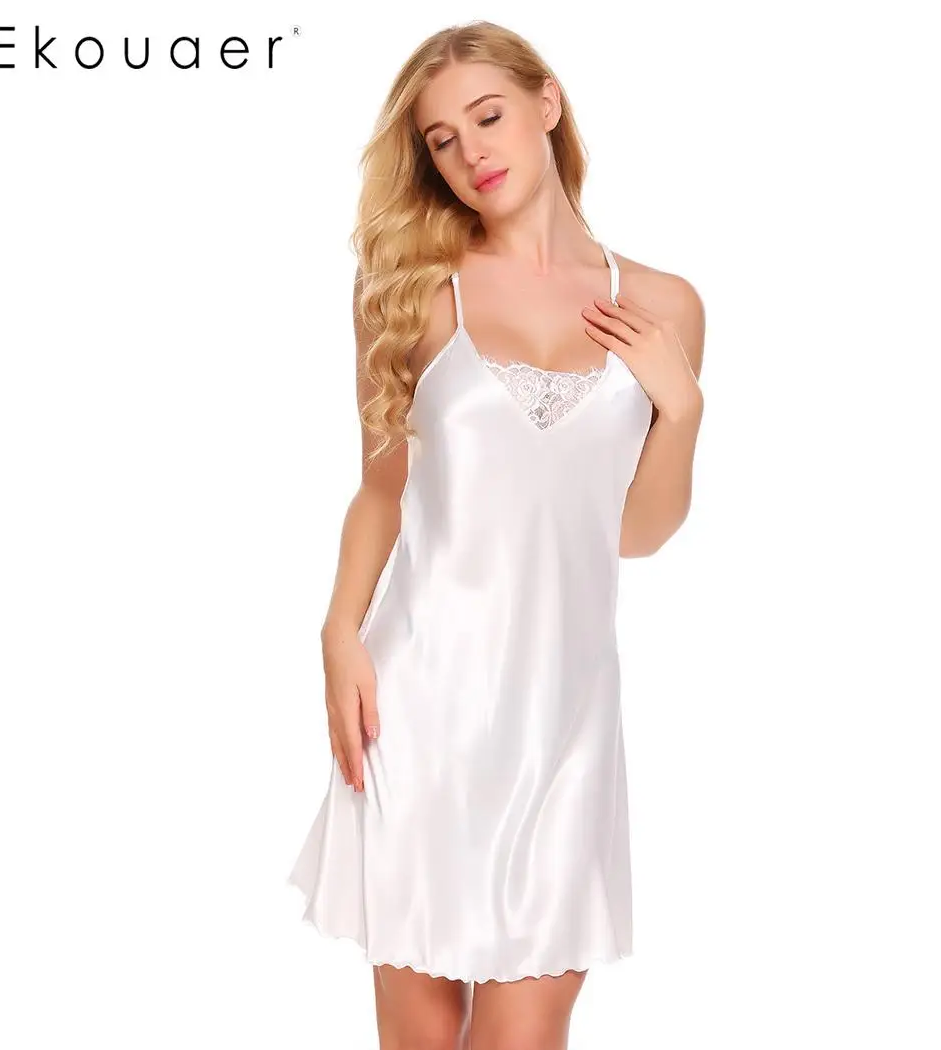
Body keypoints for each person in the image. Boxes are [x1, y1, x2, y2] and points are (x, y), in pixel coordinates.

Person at [287, 19, 705, 1050]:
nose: (471, 151)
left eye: (488, 116)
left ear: (546, 103)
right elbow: (382, 489)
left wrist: (683, 409)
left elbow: (636, 534)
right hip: (419, 702)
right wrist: (338, 633)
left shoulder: (663, 307)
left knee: (525, 1033)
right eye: (442, 140)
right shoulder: (412, 293)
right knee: (424, 1038)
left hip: (566, 716)